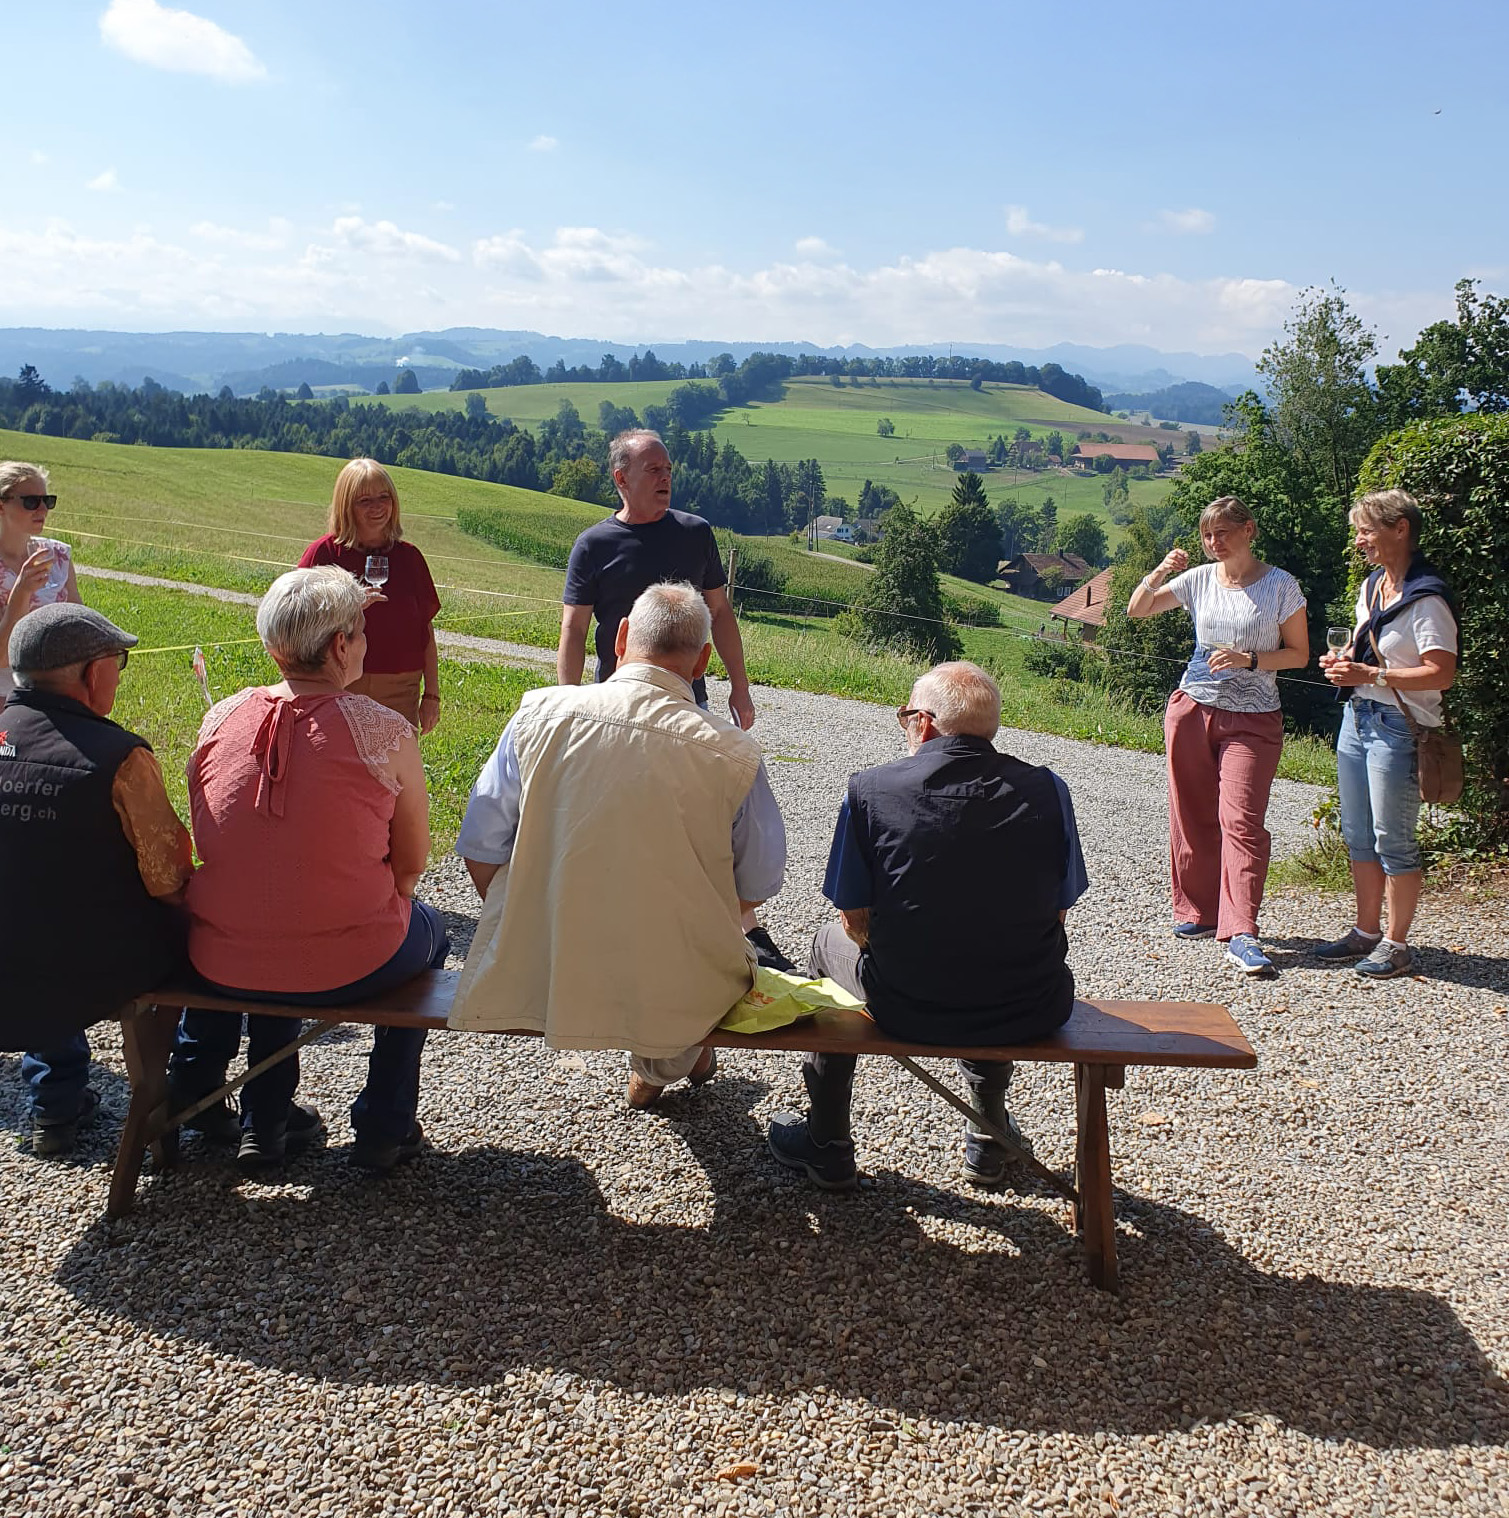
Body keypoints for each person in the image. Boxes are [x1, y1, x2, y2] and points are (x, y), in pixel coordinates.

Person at [452, 581, 786, 1106]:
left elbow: (481, 845)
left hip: (551, 960)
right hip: (674, 971)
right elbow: (756, 884)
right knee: (705, 972)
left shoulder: (537, 714)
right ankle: (664, 1063)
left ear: (621, 637)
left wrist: (532, 919)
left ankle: (674, 1057)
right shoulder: (735, 753)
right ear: (703, 662)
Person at [766, 661, 1088, 1191]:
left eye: (905, 716)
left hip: (904, 1005)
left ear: (924, 722)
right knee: (991, 946)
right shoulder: (1050, 790)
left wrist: (913, 955)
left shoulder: (870, 789)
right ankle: (988, 1135)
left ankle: (827, 1141)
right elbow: (1057, 911)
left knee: (825, 944)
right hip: (1030, 1005)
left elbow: (852, 916)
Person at [170, 566, 448, 1173]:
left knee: (279, 905)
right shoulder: (385, 730)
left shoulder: (221, 717)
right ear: (341, 646)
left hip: (221, 956)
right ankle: (384, 1124)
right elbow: (410, 868)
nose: (367, 646)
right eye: (362, 634)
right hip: (347, 962)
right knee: (432, 932)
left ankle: (264, 1120)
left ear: (274, 647)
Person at [1, 604, 191, 1156]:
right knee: (207, 939)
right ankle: (193, 1091)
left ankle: (55, 1104)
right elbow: (170, 880)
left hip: (11, 960)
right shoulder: (119, 758)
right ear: (91, 673)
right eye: (118, 662)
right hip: (89, 972)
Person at [1128, 496, 1309, 975]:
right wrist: (1159, 571)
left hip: (1253, 718)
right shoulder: (1200, 579)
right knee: (1190, 814)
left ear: (1248, 530)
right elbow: (1138, 610)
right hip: (1192, 709)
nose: (1213, 543)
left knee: (1241, 821)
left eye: (1222, 533)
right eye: (1207, 535)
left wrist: (1250, 660)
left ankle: (1242, 931)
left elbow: (1299, 654)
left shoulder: (1281, 586)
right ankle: (1199, 911)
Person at [1318, 490, 1457, 979]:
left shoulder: (1428, 599)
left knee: (1392, 839)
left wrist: (1372, 675)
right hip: (1357, 718)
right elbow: (1367, 653)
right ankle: (1366, 932)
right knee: (1358, 834)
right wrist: (1343, 664)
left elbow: (1441, 674)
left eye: (1366, 531)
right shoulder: (1374, 586)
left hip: (1398, 727)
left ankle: (1397, 945)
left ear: (1401, 529)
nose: (1359, 541)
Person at [558, 429, 756, 730]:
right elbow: (574, 628)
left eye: (668, 469)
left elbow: (719, 612)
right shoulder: (593, 545)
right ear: (621, 478)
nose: (665, 478)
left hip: (687, 703)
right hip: (616, 703)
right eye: (653, 470)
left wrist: (740, 687)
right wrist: (567, 702)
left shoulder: (696, 534)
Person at [298, 458, 441, 732]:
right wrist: (347, 604)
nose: (377, 506)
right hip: (338, 685)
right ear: (346, 505)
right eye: (364, 500)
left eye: (384, 497)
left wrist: (431, 695)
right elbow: (294, 621)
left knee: (396, 760)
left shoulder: (409, 558)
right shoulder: (323, 555)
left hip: (401, 690)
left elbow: (425, 632)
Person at [1, 460, 83, 702]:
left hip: (58, 687)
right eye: (31, 502)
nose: (43, 510)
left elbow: (80, 626)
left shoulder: (57, 555)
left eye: (47, 501)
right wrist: (21, 594)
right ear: (2, 505)